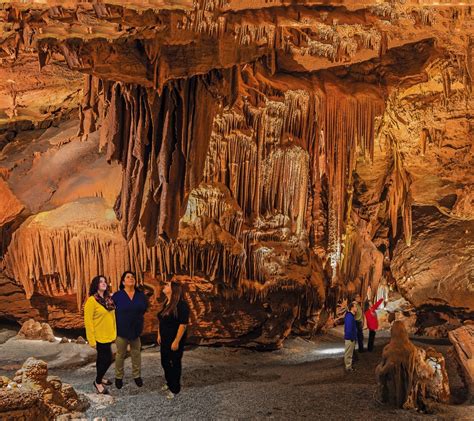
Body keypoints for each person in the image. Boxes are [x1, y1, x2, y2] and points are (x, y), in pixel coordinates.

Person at [112, 271, 148, 389]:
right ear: (123, 282)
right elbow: (111, 312)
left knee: (136, 354)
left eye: (133, 277)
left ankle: (137, 376)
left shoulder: (141, 296)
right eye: (128, 277)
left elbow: (143, 309)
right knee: (120, 355)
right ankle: (118, 377)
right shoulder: (117, 296)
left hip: (136, 330)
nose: (131, 278)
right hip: (121, 331)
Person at [84, 275, 117, 394]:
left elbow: (113, 318)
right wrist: (91, 340)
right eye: (100, 282)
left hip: (108, 335)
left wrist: (114, 333)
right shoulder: (91, 301)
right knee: (107, 359)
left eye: (105, 281)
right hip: (99, 336)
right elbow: (88, 322)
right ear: (95, 285)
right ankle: (97, 382)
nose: (104, 283)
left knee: (101, 359)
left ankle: (100, 376)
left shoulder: (109, 299)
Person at [157, 280, 189, 399]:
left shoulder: (181, 305)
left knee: (174, 363)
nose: (164, 286)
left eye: (167, 285)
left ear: (174, 289)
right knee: (165, 362)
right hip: (165, 339)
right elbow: (161, 320)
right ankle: (169, 382)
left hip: (174, 339)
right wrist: (159, 334)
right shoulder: (166, 302)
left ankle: (175, 388)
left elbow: (183, 324)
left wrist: (176, 341)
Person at [344, 301, 358, 372]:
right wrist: (352, 338)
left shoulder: (350, 316)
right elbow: (349, 328)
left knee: (350, 353)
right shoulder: (349, 316)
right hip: (350, 338)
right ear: (352, 308)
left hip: (351, 338)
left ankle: (349, 366)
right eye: (355, 307)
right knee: (348, 353)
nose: (357, 308)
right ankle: (348, 367)